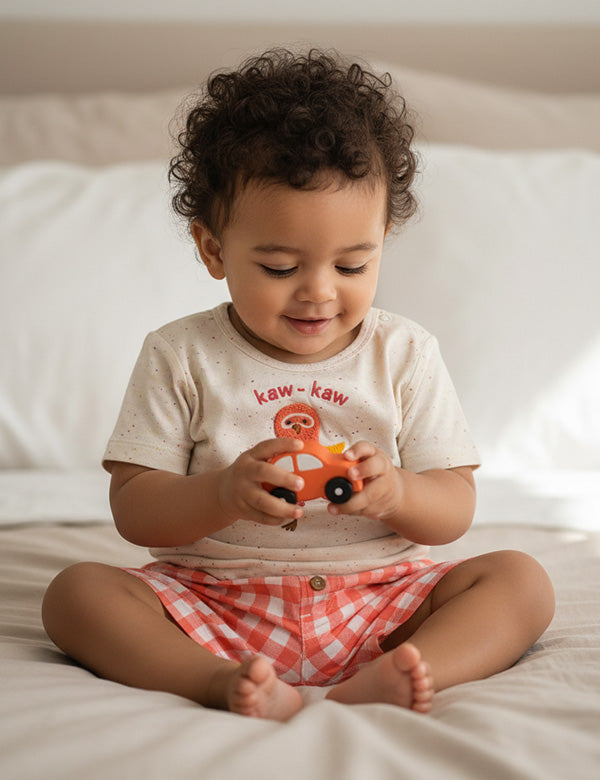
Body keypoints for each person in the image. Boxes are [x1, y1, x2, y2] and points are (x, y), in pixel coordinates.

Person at [42, 49, 555, 722]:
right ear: (214, 249)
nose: (319, 292)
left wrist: (396, 492)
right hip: (214, 600)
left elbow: (455, 508)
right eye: (281, 266)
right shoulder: (181, 353)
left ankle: (411, 669)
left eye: (352, 263)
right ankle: (216, 682)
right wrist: (224, 492)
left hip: (382, 600)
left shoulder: (404, 352)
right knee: (75, 595)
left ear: (384, 238)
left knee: (522, 582)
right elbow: (136, 511)